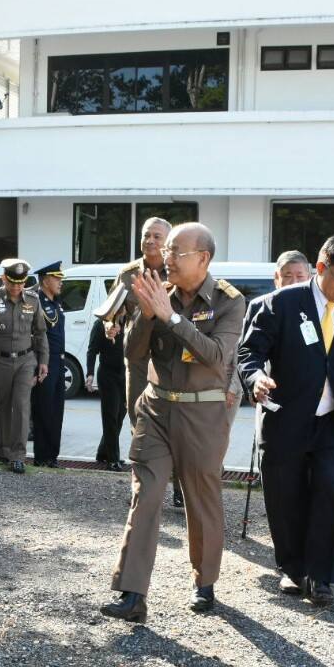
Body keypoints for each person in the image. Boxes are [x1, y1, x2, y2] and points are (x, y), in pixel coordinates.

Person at [101, 222, 245, 622]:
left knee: (202, 501)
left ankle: (205, 583)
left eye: (176, 252)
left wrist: (173, 320)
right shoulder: (158, 293)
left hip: (202, 414)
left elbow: (216, 356)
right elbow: (132, 354)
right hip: (157, 408)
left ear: (203, 258)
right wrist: (148, 317)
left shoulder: (229, 301)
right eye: (167, 252)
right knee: (145, 496)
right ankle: (132, 595)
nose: (167, 259)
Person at [239, 231, 334, 606]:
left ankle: (322, 576)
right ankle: (291, 568)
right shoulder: (281, 303)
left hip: (330, 421)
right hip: (285, 417)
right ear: (321, 268)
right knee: (285, 496)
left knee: (326, 494)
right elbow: (249, 353)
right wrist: (256, 380)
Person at [0, 259, 48, 474]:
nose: (16, 287)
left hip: (26, 360)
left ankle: (18, 456)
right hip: (0, 360)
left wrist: (43, 361)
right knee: (2, 407)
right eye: (12, 282)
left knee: (22, 406)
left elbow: (41, 332)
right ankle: (3, 450)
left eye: (21, 283)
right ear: (3, 278)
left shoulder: (33, 301)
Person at [106, 216, 170, 424]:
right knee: (137, 412)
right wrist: (111, 325)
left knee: (169, 415)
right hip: (138, 356)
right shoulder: (127, 274)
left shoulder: (177, 271)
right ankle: (140, 455)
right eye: (146, 235)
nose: (150, 240)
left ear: (167, 242)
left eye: (157, 236)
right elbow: (112, 311)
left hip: (170, 355)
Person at [31, 261, 66, 467]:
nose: (60, 282)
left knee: (56, 410)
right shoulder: (37, 302)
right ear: (45, 280)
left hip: (59, 360)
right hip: (45, 361)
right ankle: (42, 456)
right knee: (43, 409)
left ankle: (52, 455)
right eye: (57, 278)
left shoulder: (56, 303)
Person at [86, 316, 125, 470]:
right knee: (111, 417)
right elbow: (92, 350)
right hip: (108, 375)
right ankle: (112, 458)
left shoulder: (127, 321)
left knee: (121, 415)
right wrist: (90, 374)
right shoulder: (100, 324)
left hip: (124, 374)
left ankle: (103, 452)